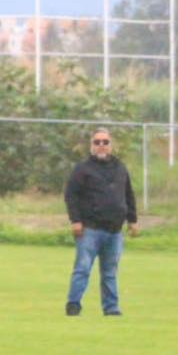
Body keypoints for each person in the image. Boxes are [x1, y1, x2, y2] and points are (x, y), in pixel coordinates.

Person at [64, 127, 138, 317]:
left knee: (110, 272)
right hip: (90, 229)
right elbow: (71, 195)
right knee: (82, 268)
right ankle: (73, 305)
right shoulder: (82, 169)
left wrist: (132, 220)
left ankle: (111, 308)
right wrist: (75, 220)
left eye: (105, 142)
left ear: (111, 145)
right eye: (97, 142)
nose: (101, 145)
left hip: (114, 230)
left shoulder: (120, 168)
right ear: (91, 146)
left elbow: (128, 194)